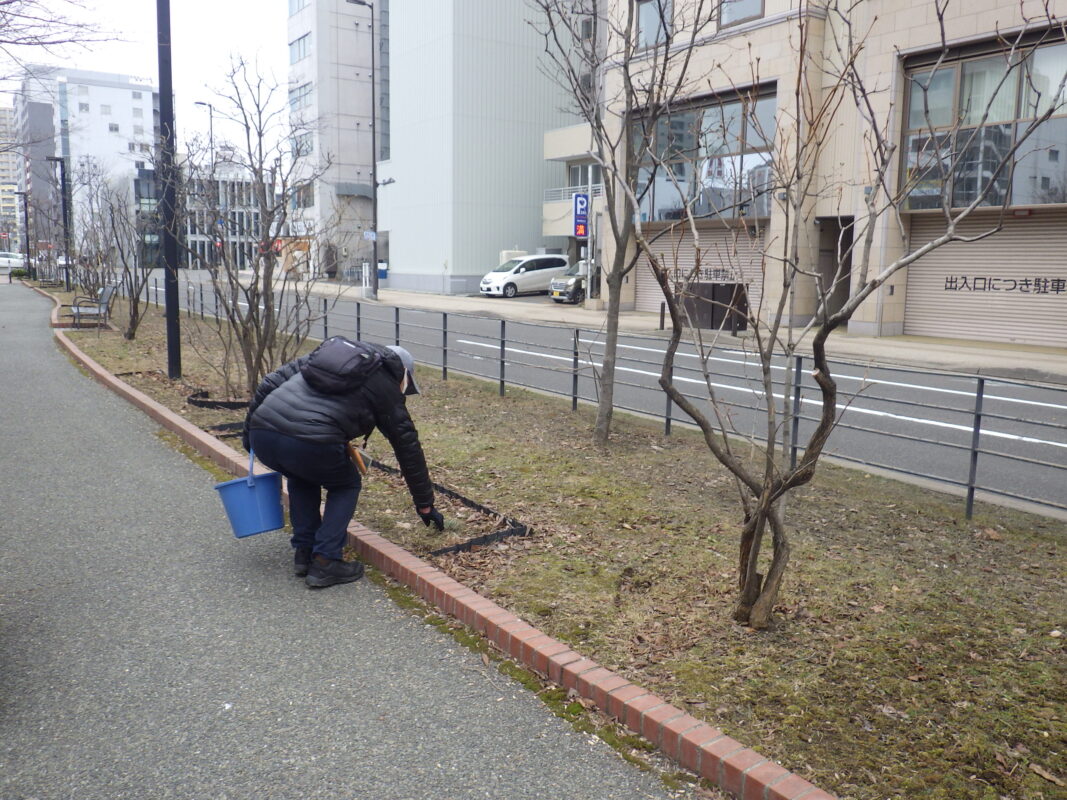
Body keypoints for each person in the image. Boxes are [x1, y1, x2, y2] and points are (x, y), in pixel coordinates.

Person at [243, 338, 445, 588]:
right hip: (310, 441)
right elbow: (408, 447)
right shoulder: (384, 383)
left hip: (264, 432)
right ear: (402, 373)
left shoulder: (328, 358)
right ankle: (326, 561)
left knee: (302, 476)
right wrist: (425, 504)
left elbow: (269, 382)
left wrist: (249, 436)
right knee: (346, 485)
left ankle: (304, 552)